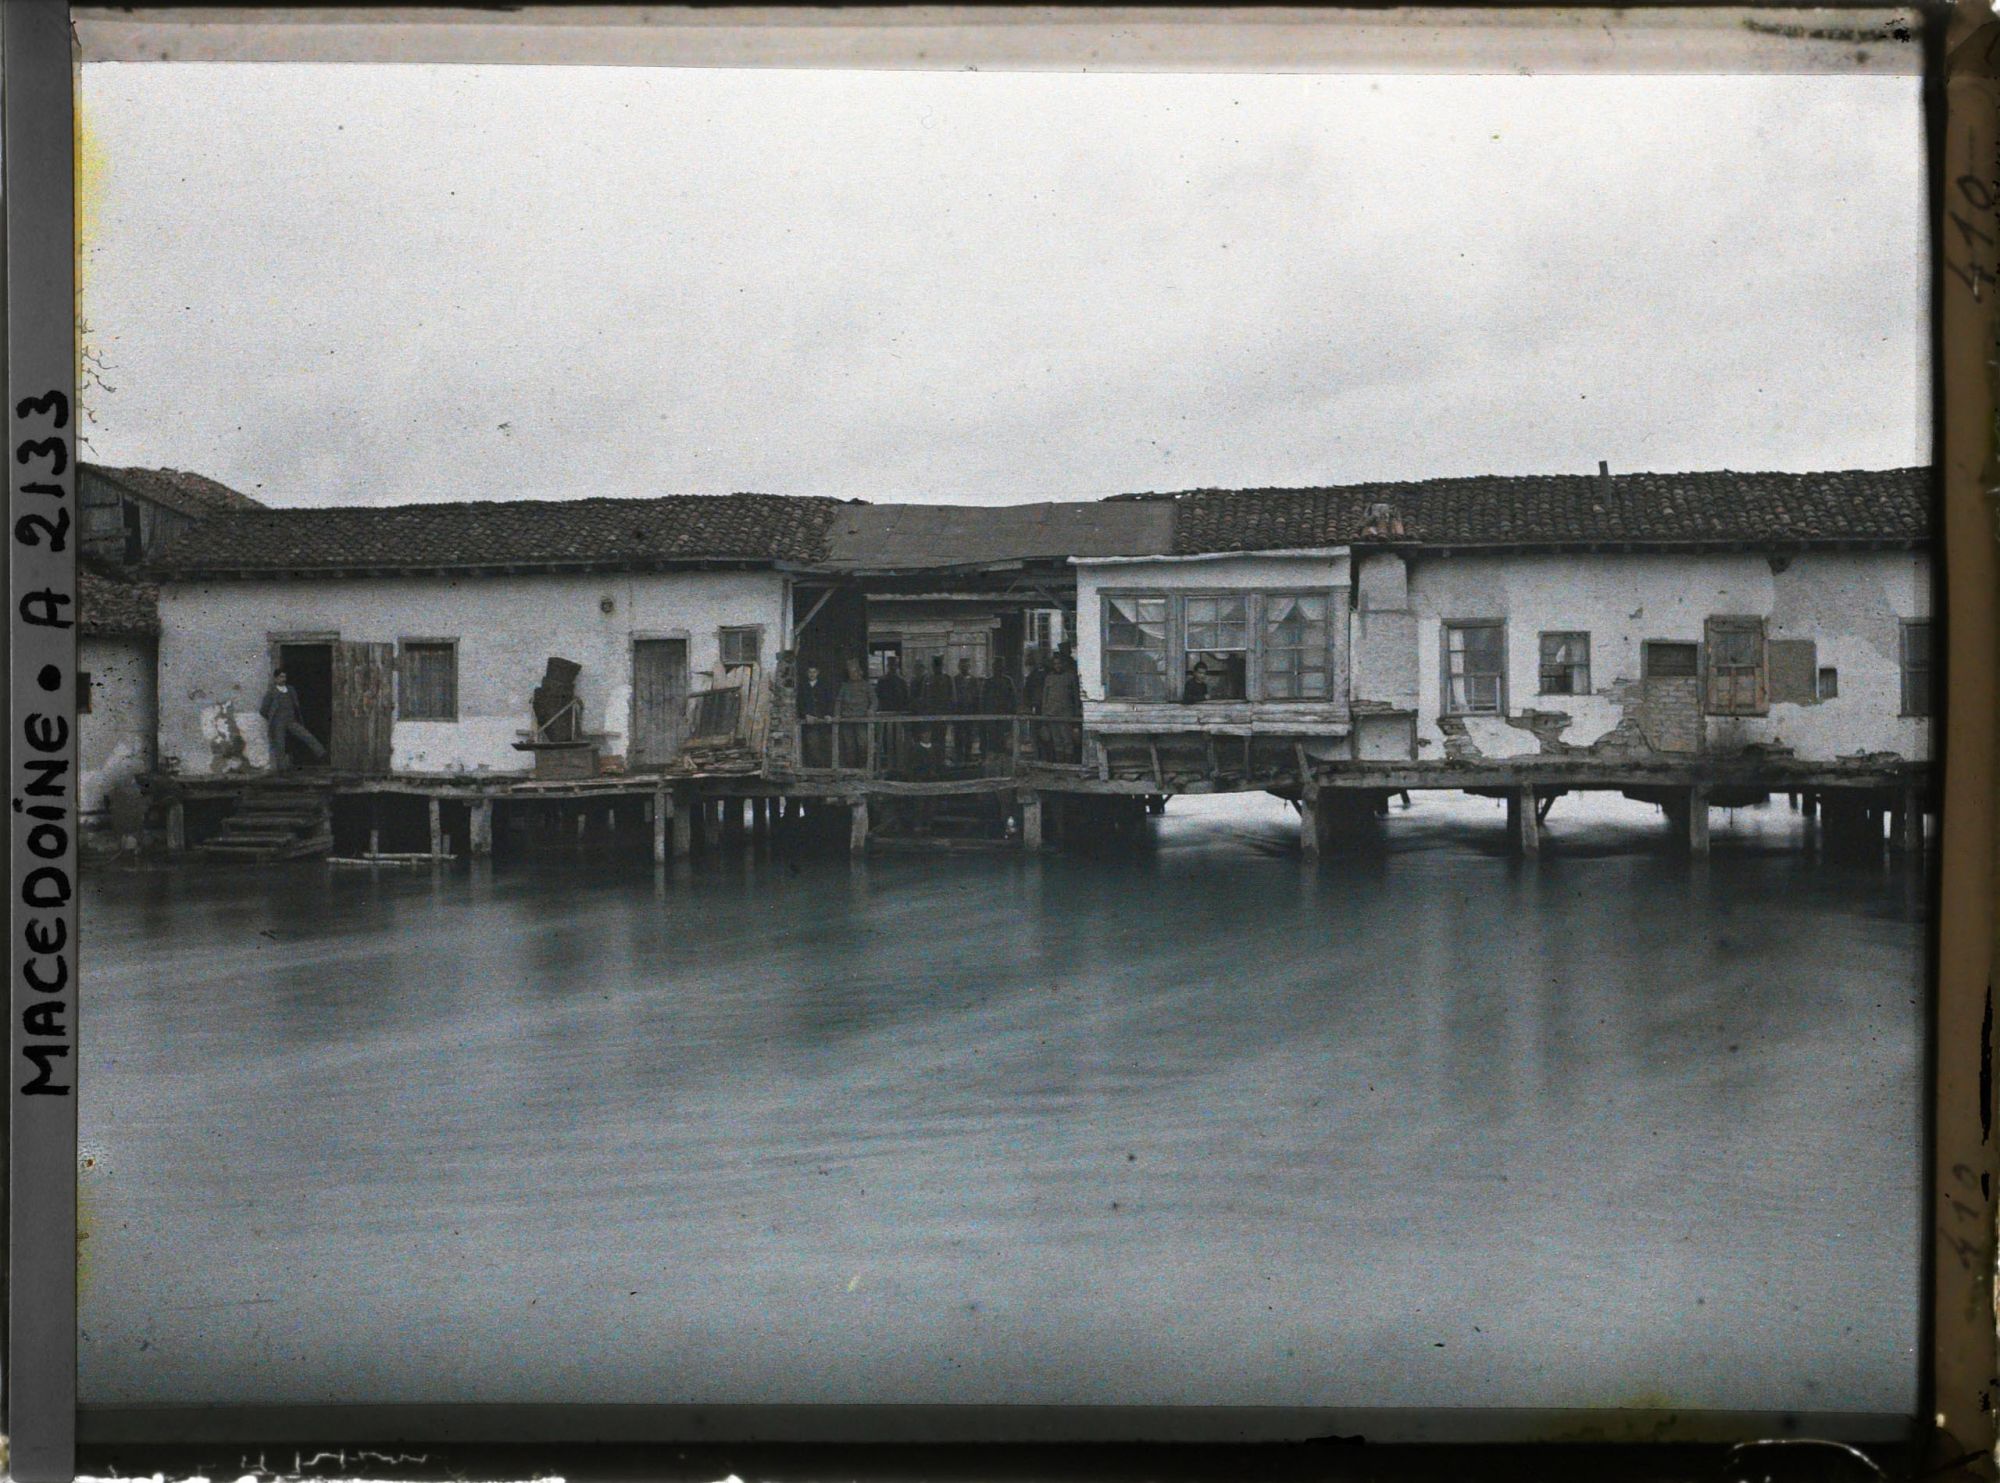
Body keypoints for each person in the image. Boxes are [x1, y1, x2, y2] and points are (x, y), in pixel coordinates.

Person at [260, 668, 327, 772]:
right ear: (276, 678)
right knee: (280, 744)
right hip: (278, 722)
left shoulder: (290, 689)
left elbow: (296, 705)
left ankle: (322, 754)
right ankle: (282, 769)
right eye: (281, 677)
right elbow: (263, 710)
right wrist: (273, 719)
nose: (283, 679)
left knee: (306, 735)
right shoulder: (272, 692)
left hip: (291, 720)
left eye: (284, 677)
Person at [1041, 652, 1082, 764]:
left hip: (1066, 714)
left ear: (1064, 664)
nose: (1057, 666)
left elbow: (1076, 696)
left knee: (1067, 740)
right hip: (1052, 713)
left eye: (1059, 663)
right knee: (1056, 740)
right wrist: (1044, 713)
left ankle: (1068, 764)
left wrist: (1076, 712)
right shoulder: (1049, 678)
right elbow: (1045, 697)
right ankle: (1059, 765)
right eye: (1055, 664)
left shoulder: (1070, 677)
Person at [836, 658, 875, 771]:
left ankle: (864, 768)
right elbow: (839, 701)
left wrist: (871, 709)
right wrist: (837, 714)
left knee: (863, 744)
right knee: (849, 745)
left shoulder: (866, 685)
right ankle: (851, 770)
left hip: (861, 719)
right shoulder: (845, 686)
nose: (852, 674)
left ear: (859, 672)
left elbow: (874, 700)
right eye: (850, 672)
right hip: (847, 719)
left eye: (854, 672)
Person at [875, 654, 910, 776]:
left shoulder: (902, 681)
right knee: (887, 741)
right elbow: (877, 698)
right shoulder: (882, 681)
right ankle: (889, 768)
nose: (892, 668)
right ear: (887, 666)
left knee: (898, 741)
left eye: (894, 666)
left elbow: (906, 699)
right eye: (890, 666)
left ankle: (898, 768)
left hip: (899, 716)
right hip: (885, 716)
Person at [798, 662, 837, 768]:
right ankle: (815, 770)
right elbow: (799, 703)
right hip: (810, 721)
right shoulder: (803, 687)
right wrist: (805, 714)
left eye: (814, 672)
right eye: (810, 672)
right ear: (807, 673)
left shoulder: (824, 685)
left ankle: (827, 770)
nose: (812, 674)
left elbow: (830, 701)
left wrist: (829, 714)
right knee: (812, 745)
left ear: (818, 673)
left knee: (826, 744)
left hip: (823, 720)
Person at [981, 664, 1018, 760]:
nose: (998, 670)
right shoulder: (988, 682)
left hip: (1004, 714)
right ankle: (993, 758)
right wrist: (985, 714)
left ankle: (1004, 758)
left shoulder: (1008, 681)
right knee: (993, 737)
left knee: (1004, 737)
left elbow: (1013, 698)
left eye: (1000, 668)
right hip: (992, 715)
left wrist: (1012, 711)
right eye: (996, 668)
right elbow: (984, 699)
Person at [952, 657, 982, 765]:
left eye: (967, 665)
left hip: (970, 712)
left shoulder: (974, 680)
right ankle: (959, 756)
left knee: (969, 735)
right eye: (962, 666)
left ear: (969, 667)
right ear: (959, 667)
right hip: (958, 713)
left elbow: (977, 696)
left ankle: (968, 755)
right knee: (958, 735)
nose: (965, 668)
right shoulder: (955, 680)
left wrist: (977, 711)